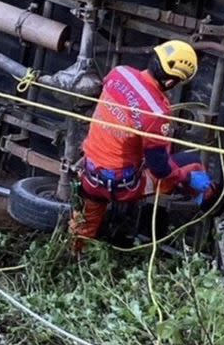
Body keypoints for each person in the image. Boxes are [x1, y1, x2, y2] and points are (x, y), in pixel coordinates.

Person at [69, 40, 215, 251]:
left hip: (90, 178)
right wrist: (187, 177)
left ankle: (75, 254)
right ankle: (211, 204)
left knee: (83, 227)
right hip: (123, 187)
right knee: (190, 163)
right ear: (171, 82)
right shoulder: (157, 112)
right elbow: (161, 169)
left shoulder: (119, 73)